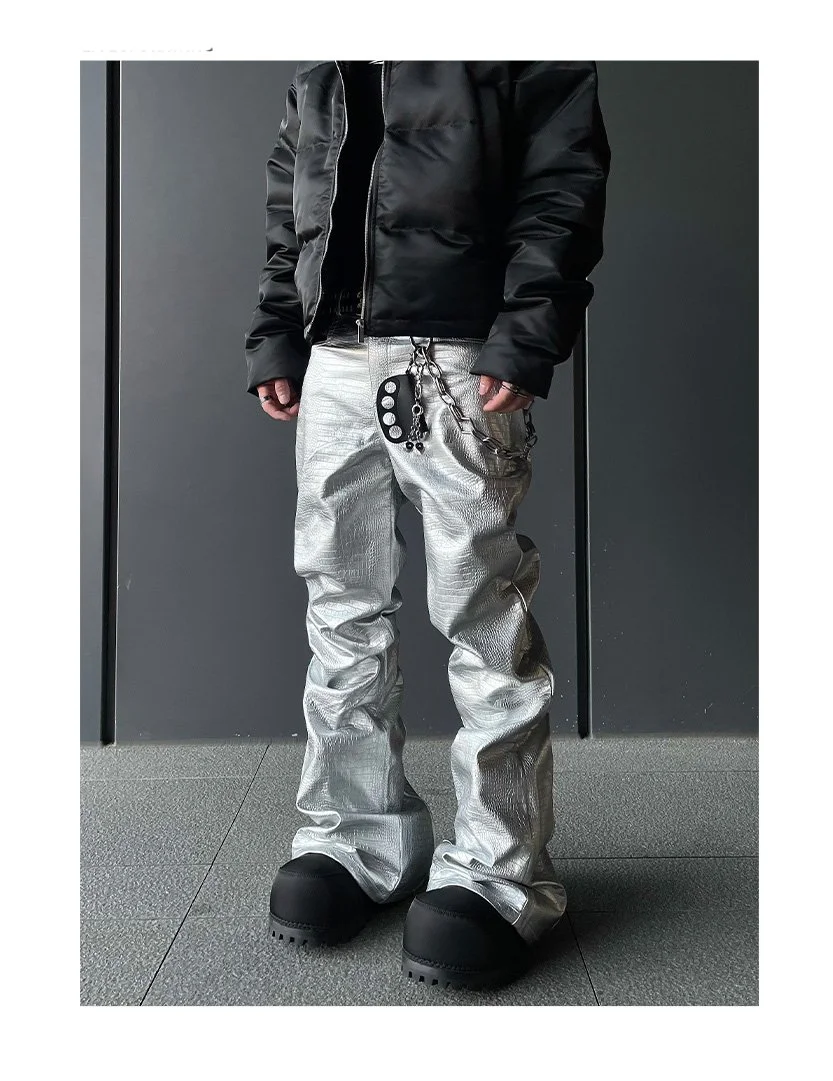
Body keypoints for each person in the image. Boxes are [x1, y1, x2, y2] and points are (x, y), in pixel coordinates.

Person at [244, 60, 610, 991]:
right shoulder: (319, 56)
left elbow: (561, 178)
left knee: (481, 618)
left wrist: (526, 331)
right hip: (333, 353)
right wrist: (281, 326)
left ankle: (499, 873)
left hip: (457, 354)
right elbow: (295, 188)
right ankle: (356, 837)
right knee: (340, 607)